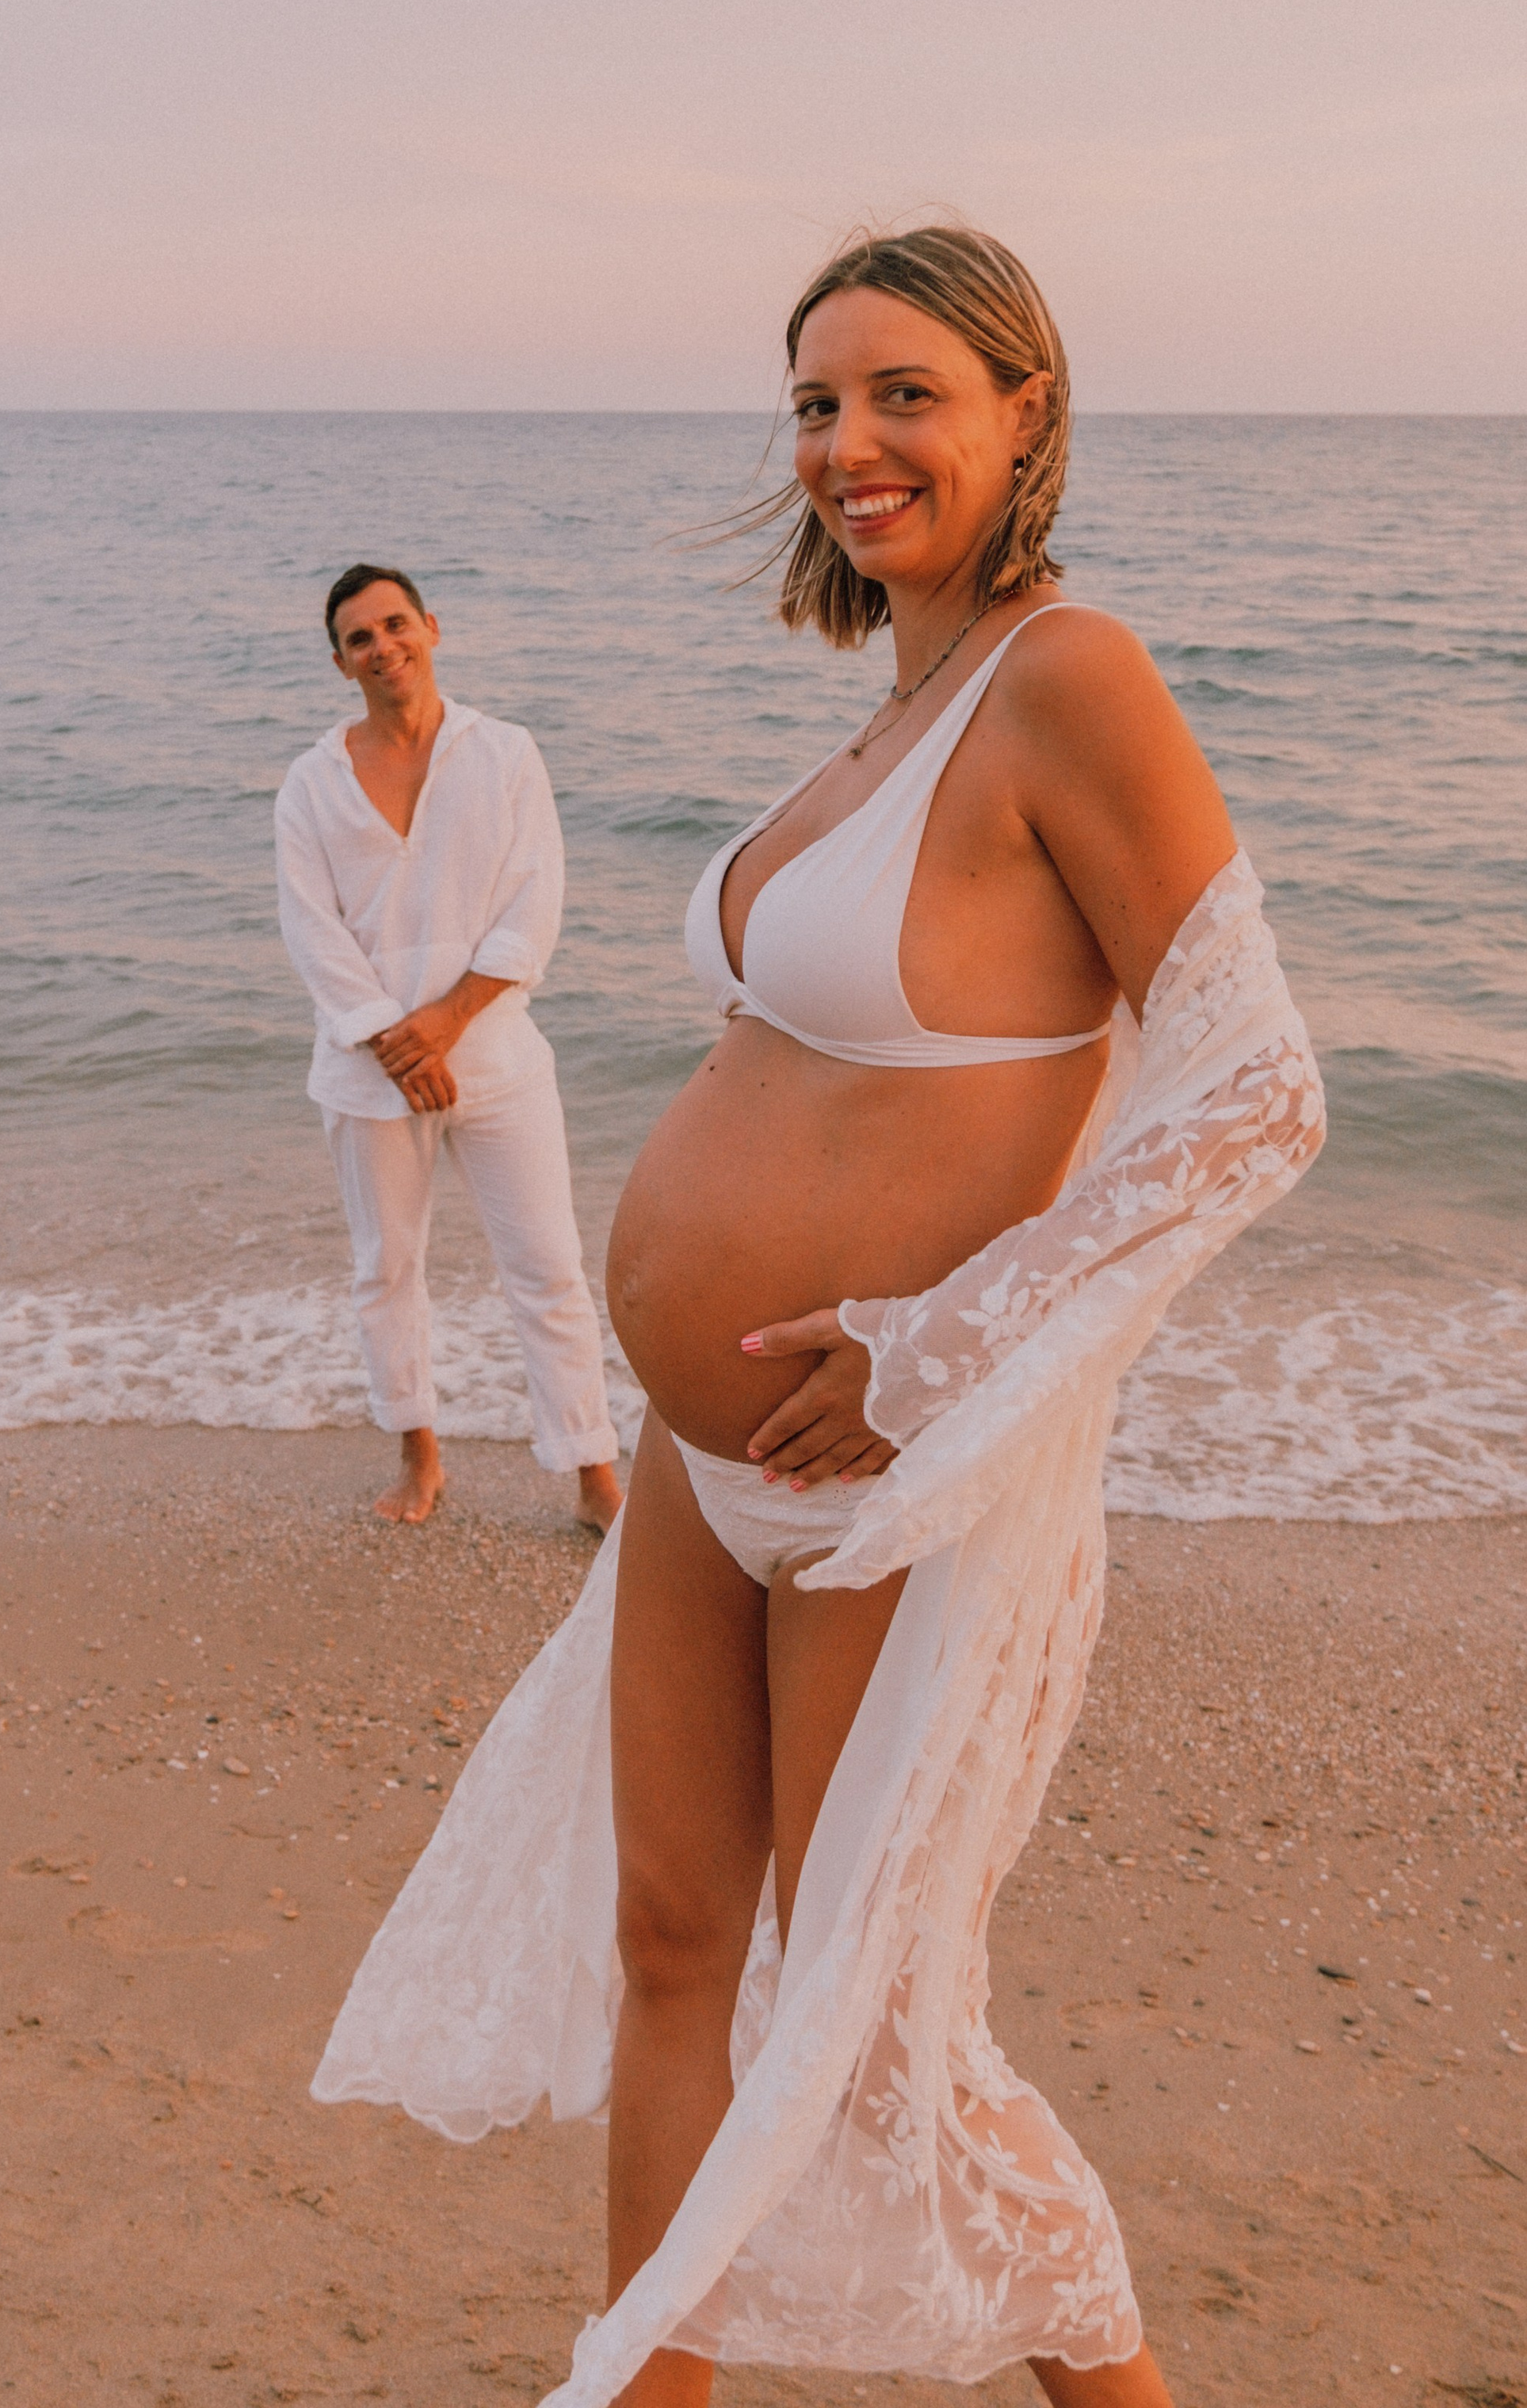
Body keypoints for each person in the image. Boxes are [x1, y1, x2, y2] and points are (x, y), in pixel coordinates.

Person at [312, 229, 1325, 2404]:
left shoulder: (1073, 677)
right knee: (678, 1950)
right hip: (710, 1465)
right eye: (813, 404)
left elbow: (1256, 1094)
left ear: (1023, 411)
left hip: (886, 1475)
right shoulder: (891, 715)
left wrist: (941, 1356)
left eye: (903, 394)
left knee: (880, 2029)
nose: (848, 446)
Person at [275, 563, 624, 1532]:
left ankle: (593, 1474)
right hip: (366, 1069)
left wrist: (449, 1021)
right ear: (340, 663)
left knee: (547, 1265)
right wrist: (397, 1041)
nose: (383, 647)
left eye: (395, 624)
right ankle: (419, 1459)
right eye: (359, 638)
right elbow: (311, 932)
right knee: (386, 1267)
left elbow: (534, 897)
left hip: (497, 1055)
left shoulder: (504, 753)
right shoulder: (311, 785)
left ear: (432, 627)